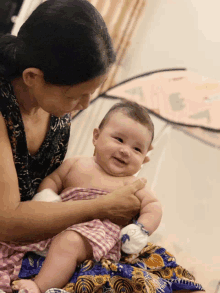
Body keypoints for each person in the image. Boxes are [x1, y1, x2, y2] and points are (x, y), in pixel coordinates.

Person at [0, 0, 205, 292]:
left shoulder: (56, 115)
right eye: (75, 96)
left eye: (90, 94)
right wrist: (100, 206)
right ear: (32, 77)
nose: (84, 105)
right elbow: (6, 221)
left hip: (65, 232)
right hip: (27, 234)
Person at [12, 100, 162, 292]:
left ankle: (39, 287)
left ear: (145, 159)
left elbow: (153, 206)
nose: (125, 151)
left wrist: (141, 229)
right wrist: (46, 195)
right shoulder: (76, 164)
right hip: (60, 219)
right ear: (96, 137)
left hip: (97, 236)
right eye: (119, 139)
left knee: (69, 242)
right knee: (17, 240)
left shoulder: (133, 183)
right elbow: (54, 180)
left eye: (137, 149)